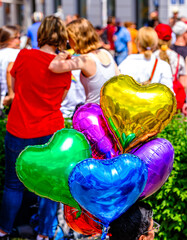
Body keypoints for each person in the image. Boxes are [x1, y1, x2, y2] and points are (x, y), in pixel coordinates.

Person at [0, 15, 71, 240]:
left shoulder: (25, 55)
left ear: (41, 34)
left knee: (13, 184)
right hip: (49, 130)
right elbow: (62, 98)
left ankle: (3, 230)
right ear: (62, 37)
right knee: (48, 186)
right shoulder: (64, 66)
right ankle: (43, 234)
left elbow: (13, 76)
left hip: (19, 126)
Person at [49, 18, 120, 105]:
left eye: (69, 38)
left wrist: (62, 54)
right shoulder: (106, 53)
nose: (68, 42)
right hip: (109, 112)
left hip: (91, 113)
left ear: (75, 39)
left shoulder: (84, 60)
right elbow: (119, 78)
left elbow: (53, 66)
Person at [118, 26, 173, 92]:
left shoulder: (125, 63)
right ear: (155, 44)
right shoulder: (163, 65)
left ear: (138, 43)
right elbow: (169, 93)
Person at [154, 23, 187, 110]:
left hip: (155, 100)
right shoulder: (178, 57)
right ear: (171, 38)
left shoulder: (151, 57)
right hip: (175, 100)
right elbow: (183, 84)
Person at [0, 25, 20, 116]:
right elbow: (10, 70)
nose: (19, 41)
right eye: (16, 38)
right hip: (10, 95)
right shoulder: (15, 53)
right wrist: (11, 94)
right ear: (9, 38)